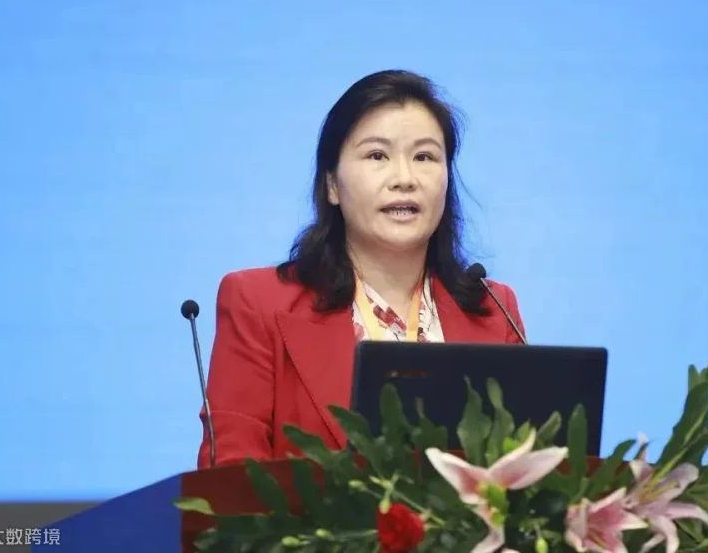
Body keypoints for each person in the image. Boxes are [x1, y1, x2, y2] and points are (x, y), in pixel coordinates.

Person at [197, 69, 527, 468]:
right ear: (332, 184)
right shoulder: (258, 303)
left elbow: (527, 469)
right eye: (377, 156)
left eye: (424, 157)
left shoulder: (494, 309)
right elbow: (230, 478)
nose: (404, 179)